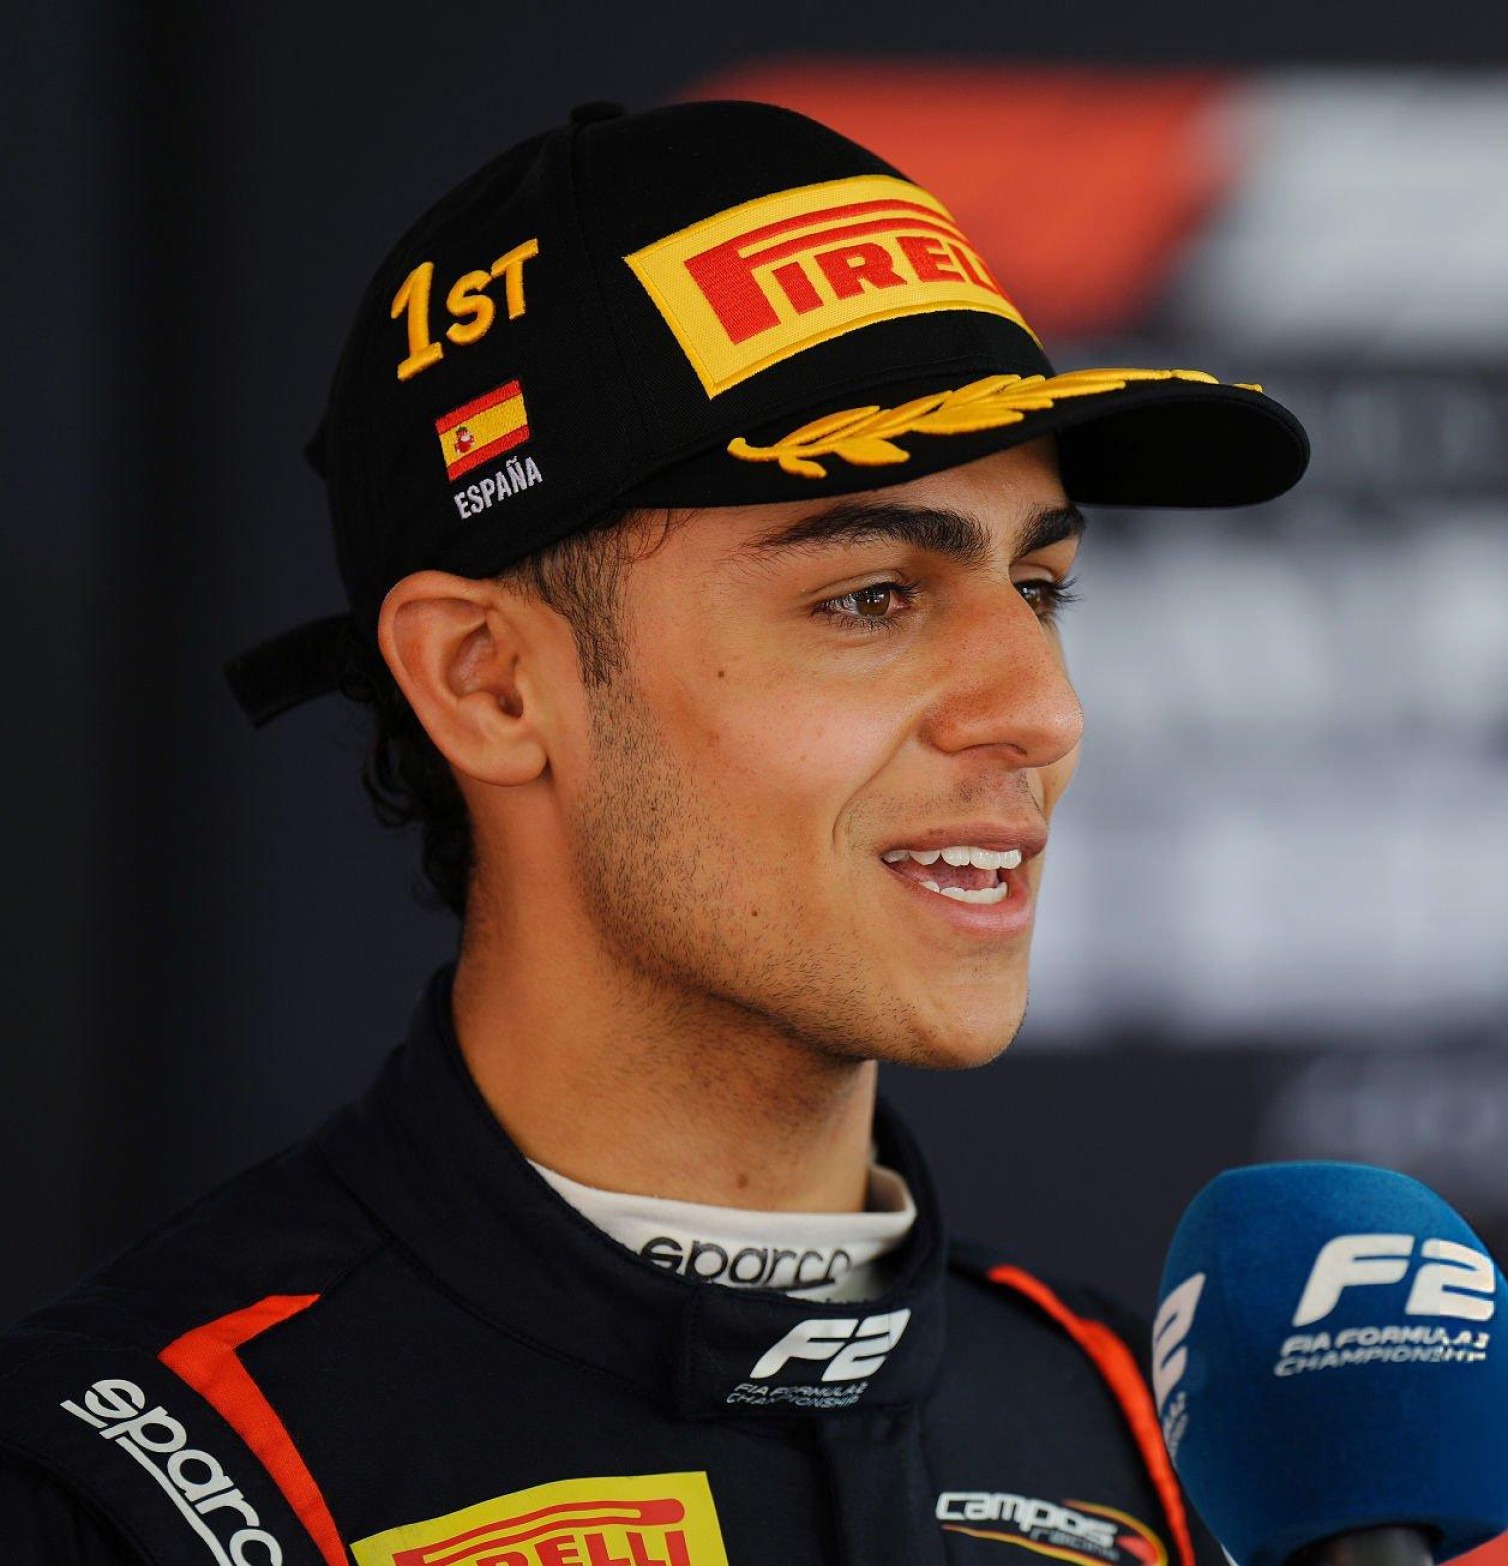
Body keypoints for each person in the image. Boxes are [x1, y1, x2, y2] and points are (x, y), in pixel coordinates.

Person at [0, 99, 1307, 1565]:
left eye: (1041, 589)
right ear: (489, 683)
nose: (1043, 710)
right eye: (870, 598)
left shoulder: (1139, 1437)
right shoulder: (128, 1488)